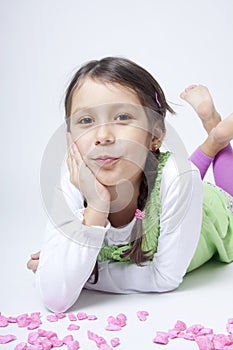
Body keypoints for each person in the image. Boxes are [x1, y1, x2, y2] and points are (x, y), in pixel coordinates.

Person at [27, 57, 233, 313]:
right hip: (173, 192)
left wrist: (81, 271)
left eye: (122, 117)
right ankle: (214, 138)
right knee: (178, 178)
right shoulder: (73, 183)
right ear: (71, 140)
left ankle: (216, 134)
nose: (103, 136)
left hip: (214, 214)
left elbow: (164, 278)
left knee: (213, 188)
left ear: (155, 136)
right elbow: (55, 298)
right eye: (86, 121)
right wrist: (96, 207)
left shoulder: (179, 179)